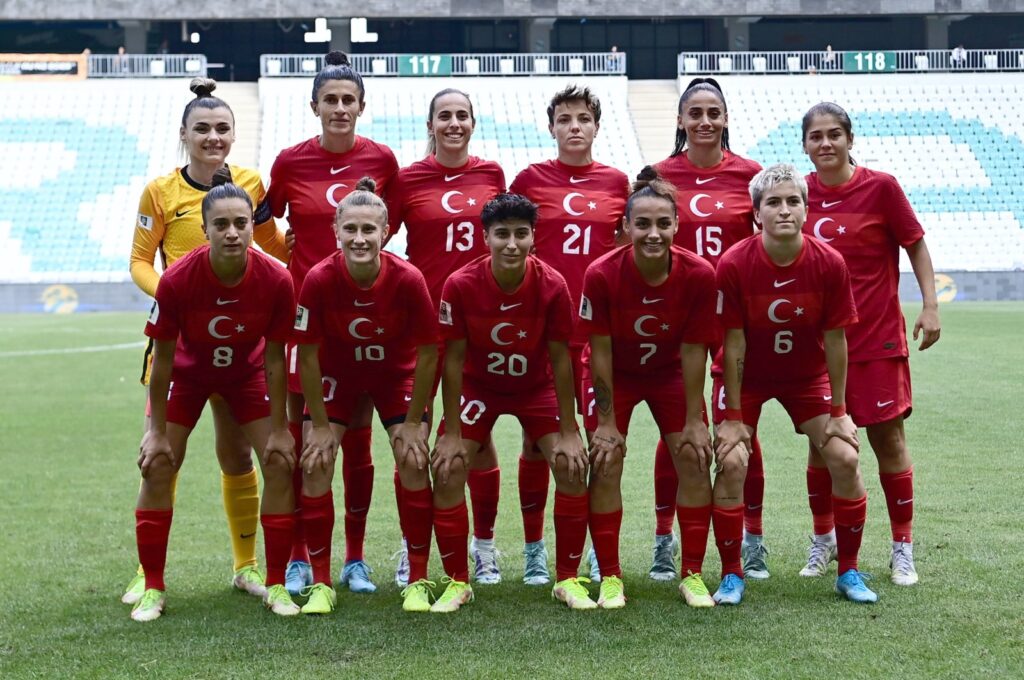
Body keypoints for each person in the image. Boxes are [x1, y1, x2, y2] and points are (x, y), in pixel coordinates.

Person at [123, 77, 289, 607]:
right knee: (161, 454)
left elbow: (275, 252)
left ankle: (247, 566)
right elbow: (139, 261)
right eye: (203, 129)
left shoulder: (250, 187)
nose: (213, 137)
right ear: (184, 135)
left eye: (222, 129)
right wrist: (173, 300)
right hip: (183, 338)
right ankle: (146, 573)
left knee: (238, 453)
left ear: (234, 135)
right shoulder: (160, 190)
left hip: (241, 345)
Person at [267, 50, 399, 597]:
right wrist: (283, 252)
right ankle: (300, 557)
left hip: (363, 322)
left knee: (358, 442)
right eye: (330, 100)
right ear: (314, 105)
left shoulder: (384, 160)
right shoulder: (289, 162)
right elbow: (262, 220)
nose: (340, 108)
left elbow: (389, 226)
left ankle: (354, 558)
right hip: (309, 323)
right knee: (307, 440)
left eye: (349, 100)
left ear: (362, 106)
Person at [716, 163, 878, 604]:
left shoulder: (828, 262)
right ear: (756, 213)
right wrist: (732, 418)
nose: (784, 210)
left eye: (793, 201)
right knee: (731, 462)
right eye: (773, 203)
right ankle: (732, 575)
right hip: (747, 378)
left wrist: (841, 412)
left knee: (844, 458)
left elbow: (836, 340)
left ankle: (848, 571)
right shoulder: (733, 263)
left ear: (807, 210)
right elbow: (732, 345)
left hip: (806, 377)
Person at [799, 102, 940, 585]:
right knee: (824, 445)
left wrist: (930, 305)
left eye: (834, 134)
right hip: (819, 347)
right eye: (816, 136)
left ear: (850, 139)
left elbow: (915, 242)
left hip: (876, 337)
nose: (825, 144)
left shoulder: (882, 187)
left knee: (888, 440)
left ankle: (903, 547)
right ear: (804, 145)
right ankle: (824, 541)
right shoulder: (798, 195)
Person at [431, 193, 587, 612]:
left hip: (536, 387)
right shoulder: (460, 284)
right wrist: (450, 430)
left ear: (534, 236)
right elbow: (454, 360)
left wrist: (571, 431)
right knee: (447, 469)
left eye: (521, 234)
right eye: (502, 234)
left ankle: (567, 579)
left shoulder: (553, 284)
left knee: (573, 465)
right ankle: (458, 580)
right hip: (479, 387)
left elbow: (561, 358)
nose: (512, 244)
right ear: (486, 237)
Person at [581, 167, 725, 609]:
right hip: (616, 374)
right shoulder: (601, 273)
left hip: (670, 374)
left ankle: (693, 574)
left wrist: (695, 420)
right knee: (605, 459)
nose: (653, 233)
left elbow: (694, 350)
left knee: (694, 456)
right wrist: (606, 422)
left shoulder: (699, 274)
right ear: (625, 227)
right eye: (642, 224)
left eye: (663, 223)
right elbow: (599, 351)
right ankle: (609, 576)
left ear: (677, 226)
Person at [293, 179, 439, 614]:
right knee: (316, 461)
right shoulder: (318, 279)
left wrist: (413, 423)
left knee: (413, 459)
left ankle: (417, 578)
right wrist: (318, 426)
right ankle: (322, 583)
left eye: (369, 230)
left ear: (386, 231)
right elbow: (309, 355)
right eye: (351, 229)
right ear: (336, 231)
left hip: (395, 376)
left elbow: (429, 354)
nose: (360, 238)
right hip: (339, 377)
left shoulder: (408, 278)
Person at [385, 88, 506, 587]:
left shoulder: (492, 175)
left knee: (476, 437)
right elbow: (376, 235)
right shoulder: (407, 178)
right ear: (431, 125)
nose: (454, 123)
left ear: (473, 123)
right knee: (413, 436)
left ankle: (484, 546)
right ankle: (410, 547)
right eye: (444, 116)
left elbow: (504, 240)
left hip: (476, 325)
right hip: (422, 325)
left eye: (462, 115)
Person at [509, 85, 629, 586]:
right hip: (541, 332)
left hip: (599, 334)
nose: (574, 126)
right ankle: (536, 550)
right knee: (538, 443)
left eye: (583, 118)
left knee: (601, 446)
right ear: (552, 126)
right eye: (565, 118)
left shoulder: (618, 182)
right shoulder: (530, 180)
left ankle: (600, 555)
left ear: (597, 126)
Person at [651, 77, 769, 582]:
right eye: (694, 112)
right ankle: (664, 539)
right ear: (680, 120)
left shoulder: (750, 174)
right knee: (677, 427)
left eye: (712, 112)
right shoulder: (659, 175)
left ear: (724, 119)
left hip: (734, 323)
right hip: (670, 320)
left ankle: (753, 537)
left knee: (739, 429)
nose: (704, 121)